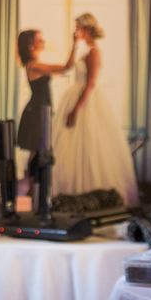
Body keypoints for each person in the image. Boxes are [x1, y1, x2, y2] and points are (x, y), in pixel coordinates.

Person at [51, 13, 139, 206]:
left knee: (89, 147)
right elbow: (69, 66)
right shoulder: (85, 50)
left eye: (78, 28)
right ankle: (69, 196)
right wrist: (74, 44)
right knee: (70, 148)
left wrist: (76, 109)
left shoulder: (94, 52)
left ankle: (91, 197)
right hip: (75, 95)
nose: (75, 31)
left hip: (86, 102)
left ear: (87, 29)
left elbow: (90, 83)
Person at [16, 28, 78, 193]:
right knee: (36, 151)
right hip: (37, 112)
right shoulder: (34, 65)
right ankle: (31, 189)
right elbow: (67, 67)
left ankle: (33, 188)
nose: (43, 41)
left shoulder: (34, 65)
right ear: (31, 46)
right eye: (40, 39)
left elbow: (55, 75)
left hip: (40, 109)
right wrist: (75, 44)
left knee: (37, 151)